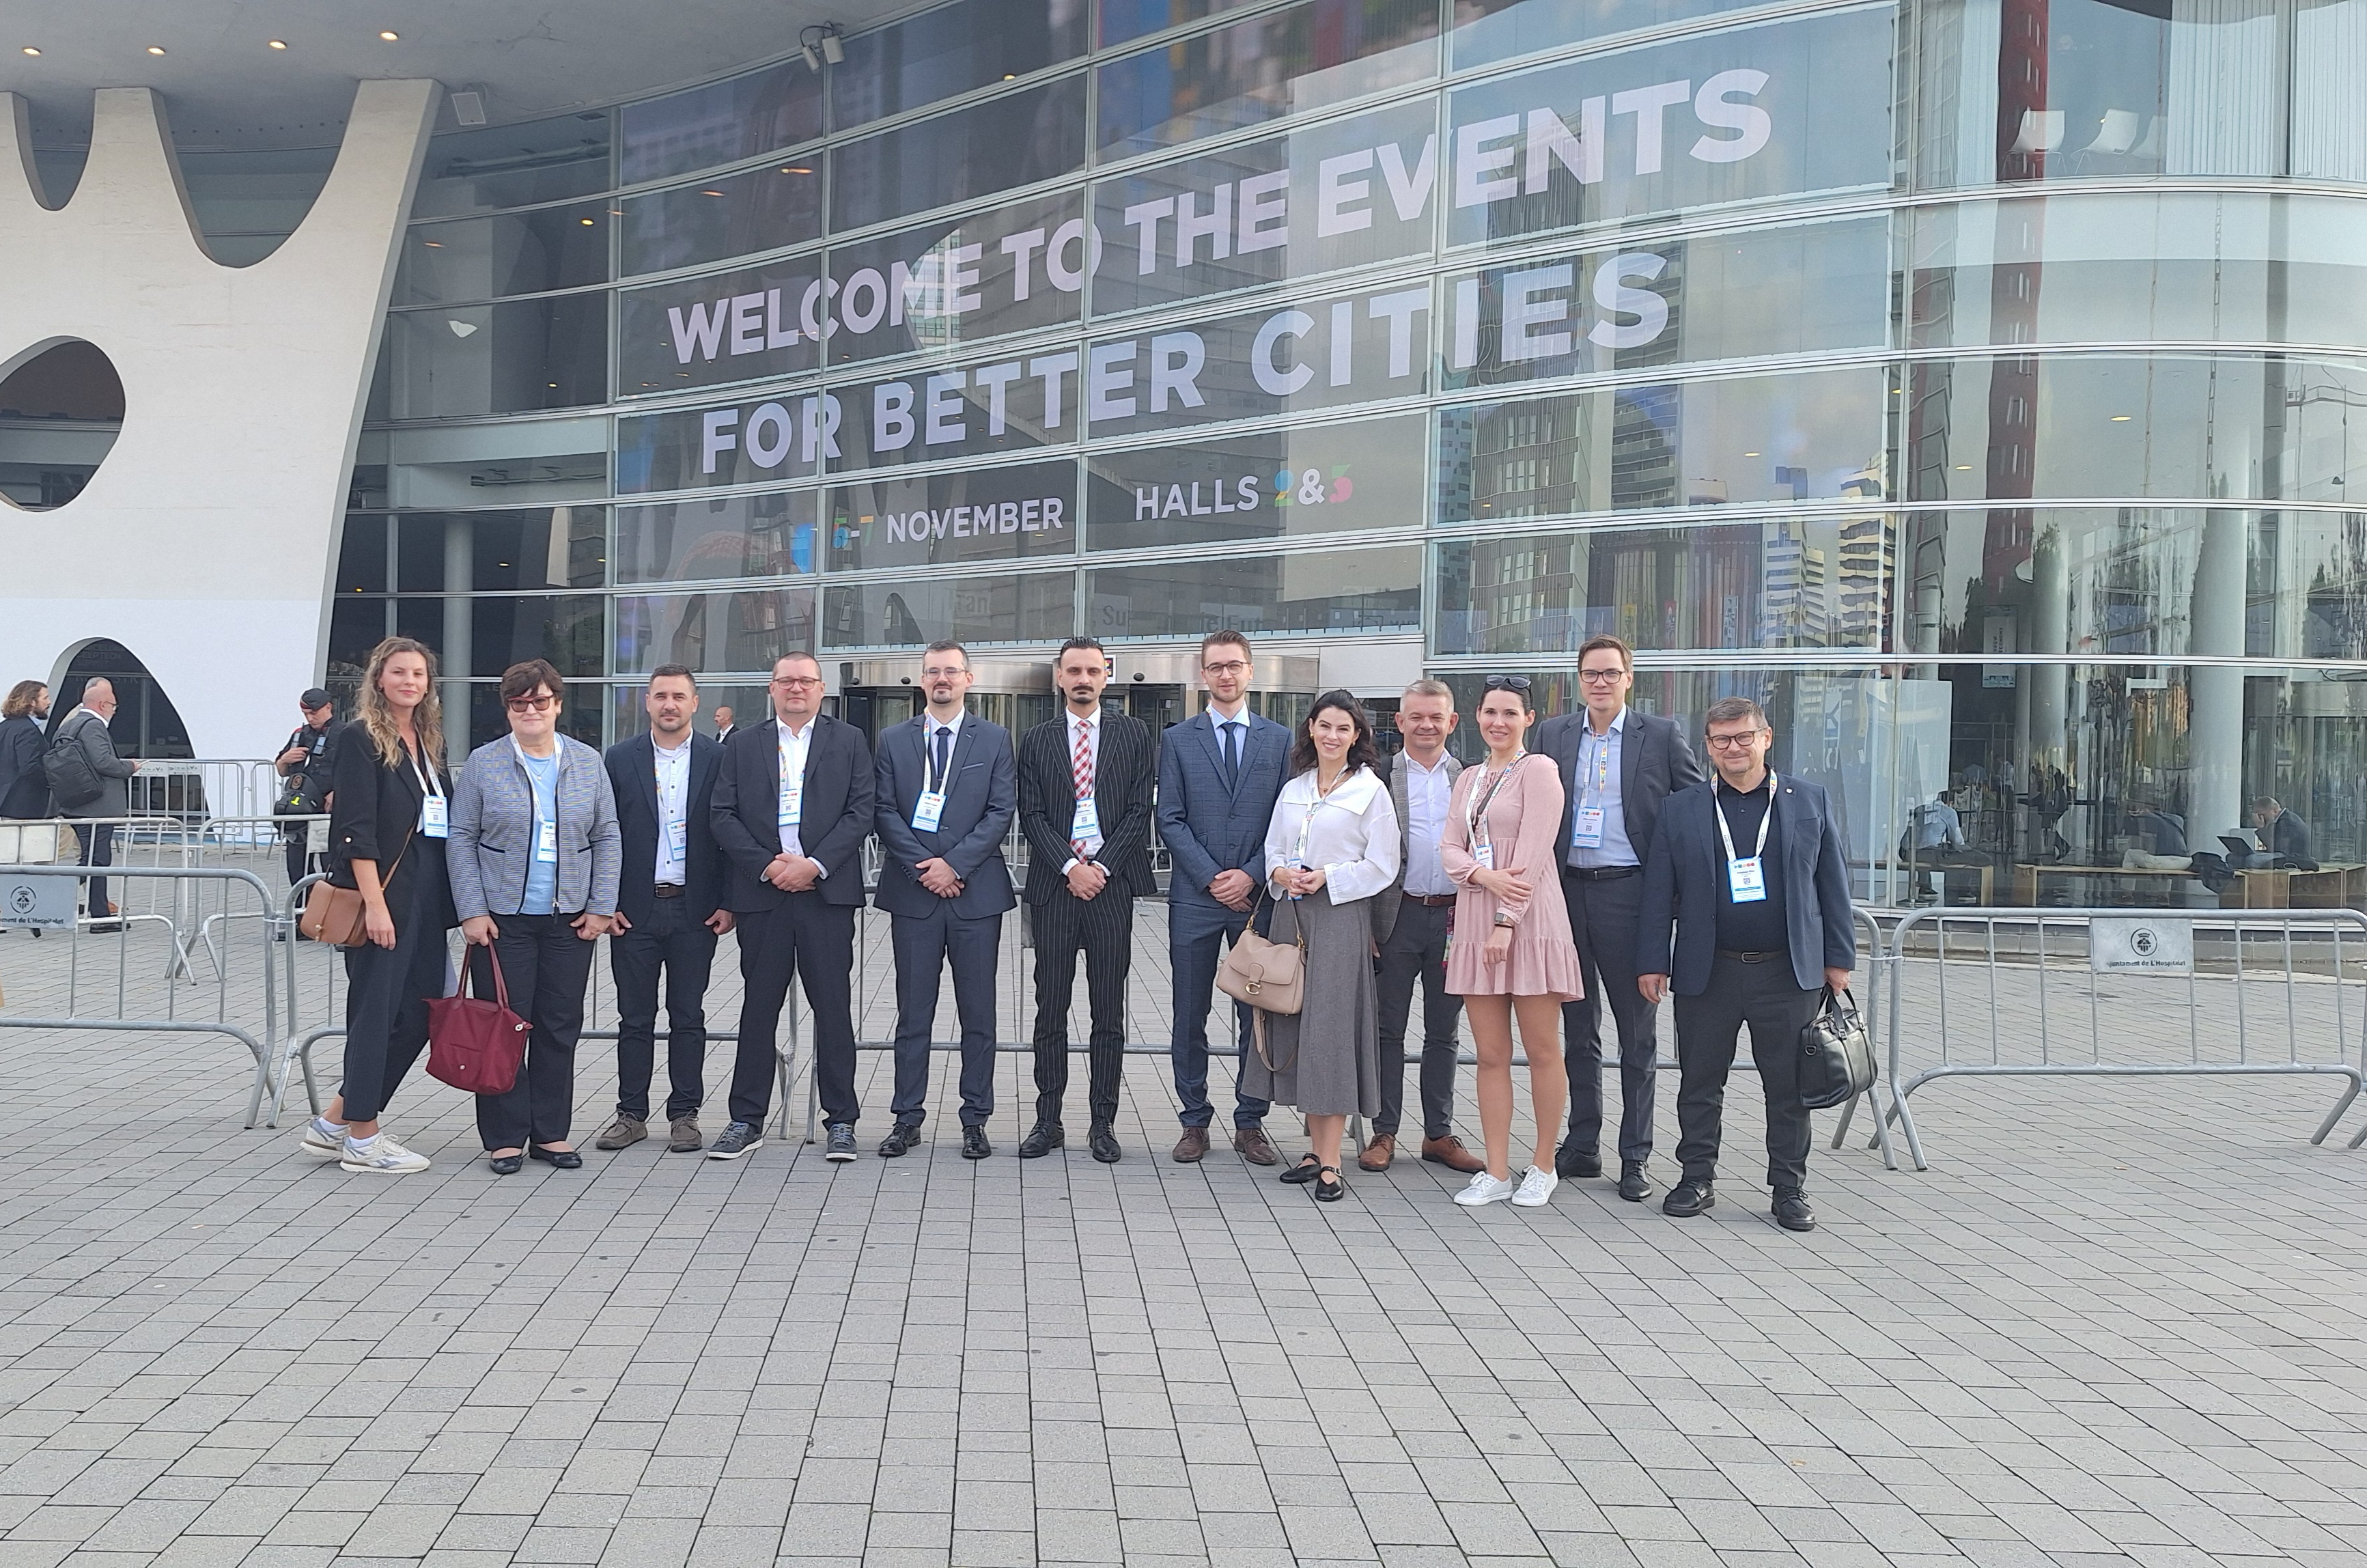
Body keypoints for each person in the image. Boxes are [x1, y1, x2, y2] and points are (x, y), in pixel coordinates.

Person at [1637, 696, 1855, 1234]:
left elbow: (1833, 884)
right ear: (1708, 747)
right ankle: (1696, 1179)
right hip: (1707, 970)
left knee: (1788, 1089)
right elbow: (1659, 891)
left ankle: (1789, 1189)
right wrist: (1652, 960)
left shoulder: (1808, 800)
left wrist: (1839, 958)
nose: (1733, 748)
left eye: (1743, 737)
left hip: (1787, 972)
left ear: (1766, 738)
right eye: (1721, 739)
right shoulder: (1682, 808)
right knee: (1699, 1082)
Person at [1537, 635, 1703, 1201]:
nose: (1600, 682)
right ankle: (1583, 1143)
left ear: (1629, 678)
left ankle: (1636, 1155)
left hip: (1630, 896)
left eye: (1610, 673)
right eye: (1591, 674)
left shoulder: (1660, 735)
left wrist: (1680, 894)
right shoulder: (1553, 734)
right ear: (1579, 680)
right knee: (1577, 1029)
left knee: (1637, 1034)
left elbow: (1692, 808)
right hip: (1566, 895)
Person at [449, 660, 621, 1175]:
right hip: (503, 921)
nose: (530, 710)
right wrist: (472, 910)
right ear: (507, 709)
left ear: (557, 705)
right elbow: (461, 838)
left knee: (558, 1026)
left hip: (569, 919)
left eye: (540, 701)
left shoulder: (587, 761)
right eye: (519, 703)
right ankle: (504, 1137)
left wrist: (602, 907)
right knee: (504, 1026)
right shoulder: (484, 763)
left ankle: (551, 1132)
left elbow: (607, 834)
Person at [296, 637, 455, 1175]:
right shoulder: (360, 738)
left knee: (422, 1013)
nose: (410, 681)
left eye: (419, 673)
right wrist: (376, 905)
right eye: (399, 672)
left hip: (428, 900)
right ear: (379, 679)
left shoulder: (427, 741)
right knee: (375, 1017)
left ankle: (334, 1122)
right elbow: (355, 830)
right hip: (383, 900)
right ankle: (363, 1138)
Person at [708, 652, 874, 1162]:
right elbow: (723, 814)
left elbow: (861, 810)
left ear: (822, 689)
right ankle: (746, 1118)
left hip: (825, 895)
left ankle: (841, 1120)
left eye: (805, 681)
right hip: (764, 895)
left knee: (833, 1009)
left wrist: (814, 865)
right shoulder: (743, 744)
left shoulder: (850, 740)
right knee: (759, 1009)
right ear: (772, 689)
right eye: (786, 681)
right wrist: (768, 866)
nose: (796, 688)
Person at [1249, 692, 1399, 1204]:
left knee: (1330, 1032)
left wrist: (1328, 877)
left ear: (1357, 736)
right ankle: (1314, 1151)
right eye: (1325, 726)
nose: (1333, 736)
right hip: (1290, 915)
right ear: (1311, 729)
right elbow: (1273, 847)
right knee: (1297, 1026)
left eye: (1343, 728)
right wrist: (1279, 873)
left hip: (1338, 916)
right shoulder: (1294, 788)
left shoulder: (1370, 791)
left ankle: (1332, 1161)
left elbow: (1383, 864)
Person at [1441, 675, 1580, 1209]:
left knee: (1542, 1050)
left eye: (1510, 713)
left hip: (1528, 918)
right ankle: (1496, 1170)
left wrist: (1506, 919)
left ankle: (1543, 1165)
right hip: (1476, 916)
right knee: (1491, 1054)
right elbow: (1449, 848)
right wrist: (1481, 877)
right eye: (1490, 712)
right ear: (1477, 716)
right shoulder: (1469, 777)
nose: (1498, 722)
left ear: (1528, 719)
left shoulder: (1538, 770)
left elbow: (1535, 851)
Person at [874, 641, 1018, 1158]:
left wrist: (954, 865)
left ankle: (975, 1119)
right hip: (914, 895)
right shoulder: (892, 740)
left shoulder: (995, 739)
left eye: (951, 671)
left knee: (978, 1015)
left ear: (968, 679)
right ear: (921, 679)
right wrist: (927, 868)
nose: (942, 679)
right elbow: (883, 810)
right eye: (933, 671)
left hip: (975, 897)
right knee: (913, 1014)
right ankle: (906, 1118)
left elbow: (1001, 810)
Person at [1017, 637, 1156, 1164]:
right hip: (1055, 889)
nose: (1083, 679)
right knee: (1050, 1009)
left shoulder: (1133, 734)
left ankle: (1103, 1122)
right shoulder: (1037, 740)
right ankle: (1048, 1120)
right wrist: (1071, 867)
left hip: (1110, 888)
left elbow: (1140, 809)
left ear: (1106, 675)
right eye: (1073, 670)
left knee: (1108, 1012)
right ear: (1059, 677)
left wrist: (1100, 868)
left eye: (1092, 671)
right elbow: (1031, 814)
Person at [1156, 630, 1289, 1166]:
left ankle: (1249, 1121)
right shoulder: (1178, 739)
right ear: (1203, 675)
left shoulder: (1279, 741)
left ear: (1250, 671)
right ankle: (1194, 1120)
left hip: (1256, 902)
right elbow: (1170, 818)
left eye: (1234, 665)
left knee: (1254, 1015)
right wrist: (1213, 877)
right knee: (1189, 1013)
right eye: (1216, 667)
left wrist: (1250, 875)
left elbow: (1286, 821)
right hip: (1195, 898)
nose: (1226, 675)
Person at [597, 665, 731, 1156]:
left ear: (695, 703)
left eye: (678, 696)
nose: (669, 704)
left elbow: (732, 832)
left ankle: (685, 1114)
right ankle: (631, 1114)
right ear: (647, 703)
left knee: (688, 1016)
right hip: (634, 911)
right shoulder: (619, 759)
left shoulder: (720, 758)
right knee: (634, 1017)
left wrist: (728, 902)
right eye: (660, 696)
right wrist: (605, 903)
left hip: (696, 910)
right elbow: (603, 832)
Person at [1362, 680, 1480, 1174]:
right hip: (1397, 915)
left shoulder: (1472, 778)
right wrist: (1366, 923)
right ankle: (1384, 1131)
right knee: (1387, 1029)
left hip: (1454, 917)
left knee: (1444, 1031)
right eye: (1416, 717)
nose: (1426, 725)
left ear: (1452, 722)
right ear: (1400, 722)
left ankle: (1438, 1134)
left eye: (1436, 717)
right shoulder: (1377, 777)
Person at [53, 678, 139, 929]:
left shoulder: (69, 725)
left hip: (76, 802)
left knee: (94, 858)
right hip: (96, 805)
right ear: (102, 705)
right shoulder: (93, 726)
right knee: (97, 860)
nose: (114, 710)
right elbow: (103, 762)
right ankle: (50, 899)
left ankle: (99, 912)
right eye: (113, 705)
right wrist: (129, 767)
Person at [274, 688, 346, 901]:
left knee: (329, 866)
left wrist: (338, 792)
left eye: (314, 713)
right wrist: (285, 760)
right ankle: (301, 914)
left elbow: (356, 771)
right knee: (297, 868)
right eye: (306, 714)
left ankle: (331, 914)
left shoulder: (345, 733)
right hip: (298, 812)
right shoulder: (300, 735)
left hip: (327, 812)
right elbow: (282, 770)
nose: (310, 718)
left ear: (328, 707)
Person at [0, 680, 51, 820]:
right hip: (23, 807)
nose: (49, 702)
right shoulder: (28, 730)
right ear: (32, 702)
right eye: (45, 698)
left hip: (6, 803)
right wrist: (52, 781)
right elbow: (29, 767)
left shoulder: (4, 727)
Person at [2251, 797, 2315, 868]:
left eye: (2262, 815)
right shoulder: (2286, 819)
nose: (2260, 819)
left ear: (2275, 810)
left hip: (2294, 858)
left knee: (2251, 860)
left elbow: (2276, 849)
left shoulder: (2286, 823)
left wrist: (2261, 829)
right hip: (2292, 856)